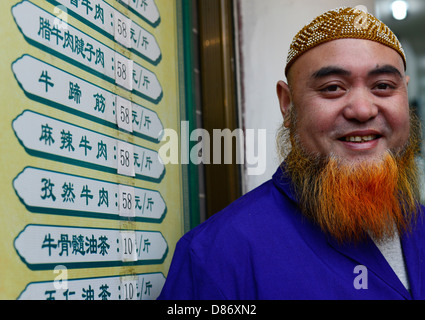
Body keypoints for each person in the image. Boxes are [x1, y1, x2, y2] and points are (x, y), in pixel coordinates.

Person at [158, 6, 425, 299]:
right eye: (333, 88)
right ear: (287, 104)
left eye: (384, 86)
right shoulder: (218, 253)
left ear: (405, 94)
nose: (363, 109)